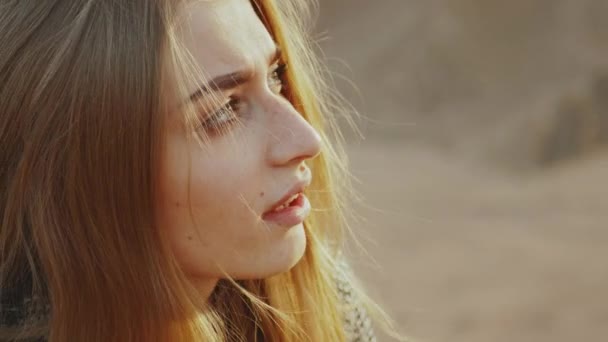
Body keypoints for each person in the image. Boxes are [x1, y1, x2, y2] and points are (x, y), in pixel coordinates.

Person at [0, 0, 394, 340]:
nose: (305, 140)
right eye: (223, 111)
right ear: (83, 177)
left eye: (276, 77)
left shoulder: (320, 300)